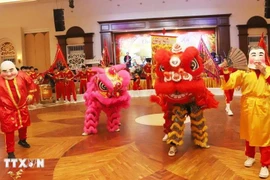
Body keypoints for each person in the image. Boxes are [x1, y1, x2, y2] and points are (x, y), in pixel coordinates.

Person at [221, 46, 270, 178]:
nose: (258, 57)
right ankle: (250, 156)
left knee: (264, 135)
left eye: (261, 54)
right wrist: (225, 69)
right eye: (254, 54)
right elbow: (230, 83)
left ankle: (265, 164)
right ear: (249, 57)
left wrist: (264, 71)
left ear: (265, 56)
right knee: (249, 133)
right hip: (248, 106)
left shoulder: (269, 70)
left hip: (264, 106)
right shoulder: (244, 72)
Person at [0, 61, 36, 158]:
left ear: (14, 68)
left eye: (11, 70)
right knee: (9, 131)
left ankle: (22, 140)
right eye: (5, 71)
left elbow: (31, 83)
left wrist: (31, 94)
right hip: (6, 109)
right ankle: (10, 152)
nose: (9, 73)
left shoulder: (22, 75)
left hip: (22, 106)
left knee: (23, 125)